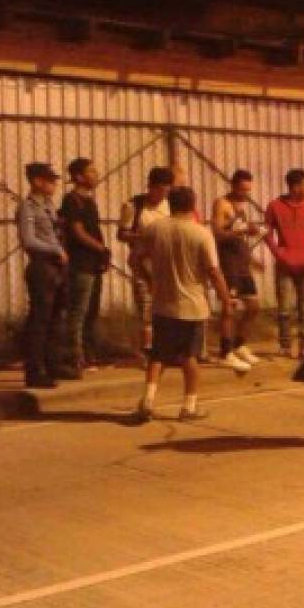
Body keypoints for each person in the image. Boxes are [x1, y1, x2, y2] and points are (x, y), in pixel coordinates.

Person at [130, 187, 236, 423]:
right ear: (193, 205)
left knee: (158, 355)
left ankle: (147, 399)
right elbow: (213, 271)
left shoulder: (154, 229)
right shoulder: (200, 233)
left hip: (162, 303)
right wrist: (226, 299)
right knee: (190, 357)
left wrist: (149, 279)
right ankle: (188, 405)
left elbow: (134, 259)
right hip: (192, 305)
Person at [17, 162, 78, 388]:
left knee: (56, 317)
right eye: (49, 180)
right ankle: (35, 370)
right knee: (40, 319)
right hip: (42, 265)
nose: (53, 184)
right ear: (36, 181)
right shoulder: (28, 207)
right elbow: (28, 239)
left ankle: (53, 363)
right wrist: (55, 250)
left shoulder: (49, 206)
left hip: (58, 266)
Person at [264, 168, 304, 358]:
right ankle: (285, 345)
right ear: (295, 186)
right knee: (284, 309)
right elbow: (267, 233)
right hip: (285, 265)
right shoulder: (274, 206)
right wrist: (279, 254)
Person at [118, 167, 174, 360]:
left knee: (167, 307)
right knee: (146, 307)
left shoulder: (170, 206)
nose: (162, 195)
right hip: (142, 263)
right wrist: (145, 236)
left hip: (166, 263)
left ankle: (165, 347)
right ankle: (147, 350)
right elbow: (122, 234)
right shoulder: (134, 206)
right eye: (159, 190)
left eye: (166, 191)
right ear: (150, 187)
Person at [59, 158, 109, 372]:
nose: (96, 174)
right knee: (78, 311)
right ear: (79, 176)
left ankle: (89, 353)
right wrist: (100, 247)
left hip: (94, 263)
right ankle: (75, 355)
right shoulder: (72, 201)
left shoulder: (89, 201)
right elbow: (77, 232)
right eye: (91, 171)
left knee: (91, 311)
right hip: (81, 263)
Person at [211, 169, 261, 372]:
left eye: (248, 190)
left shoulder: (243, 205)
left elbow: (240, 235)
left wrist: (252, 258)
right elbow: (217, 232)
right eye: (242, 189)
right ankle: (225, 350)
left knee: (253, 305)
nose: (245, 193)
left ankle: (239, 343)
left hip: (241, 262)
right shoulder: (222, 204)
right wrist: (240, 230)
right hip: (228, 263)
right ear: (233, 186)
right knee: (229, 307)